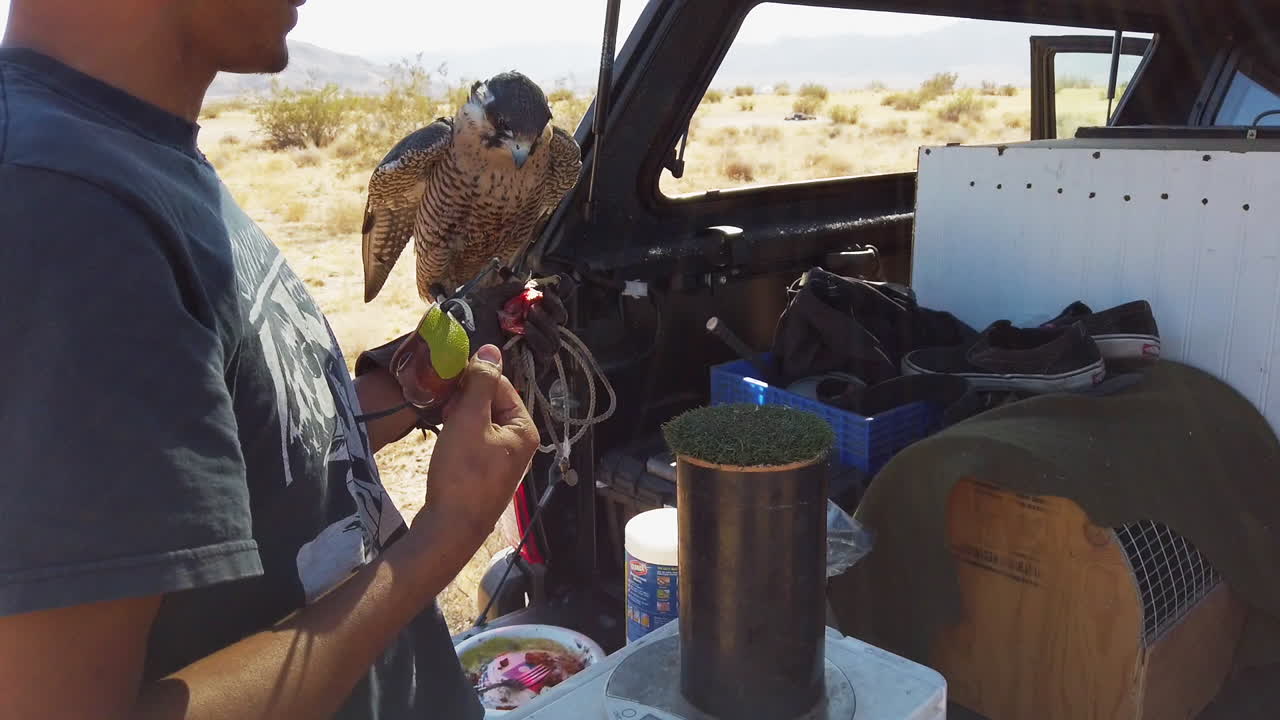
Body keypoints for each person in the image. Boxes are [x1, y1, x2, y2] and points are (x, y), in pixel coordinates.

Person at [0, 0, 544, 717]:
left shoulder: (126, 151)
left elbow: (231, 460)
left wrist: (410, 392)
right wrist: (445, 536)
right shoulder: (60, 203)